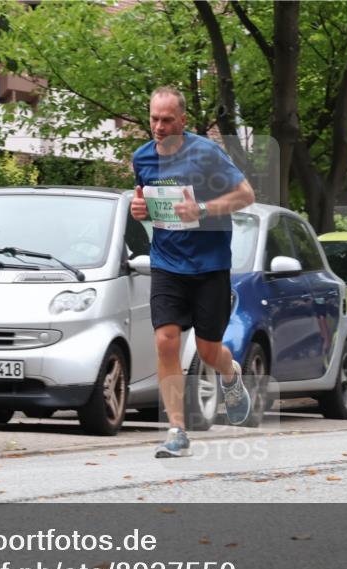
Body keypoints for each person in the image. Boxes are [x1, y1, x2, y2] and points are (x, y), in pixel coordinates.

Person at [130, 86, 256, 458]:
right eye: (154, 118)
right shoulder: (142, 158)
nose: (159, 126)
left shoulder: (206, 152)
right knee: (166, 340)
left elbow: (245, 196)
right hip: (167, 262)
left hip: (210, 266)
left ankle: (230, 375)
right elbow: (146, 203)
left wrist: (202, 209)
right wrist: (142, 211)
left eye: (167, 120)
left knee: (207, 349)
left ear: (182, 121)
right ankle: (176, 430)